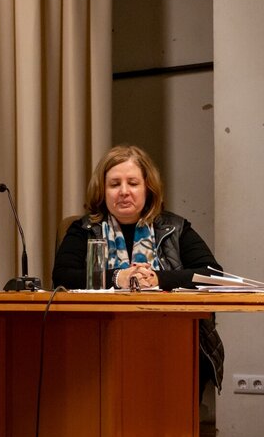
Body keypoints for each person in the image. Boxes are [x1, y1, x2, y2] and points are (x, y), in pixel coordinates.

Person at [52, 145, 224, 390]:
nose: (124, 192)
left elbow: (212, 274)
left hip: (172, 341)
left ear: (148, 188)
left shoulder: (174, 228)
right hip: (98, 341)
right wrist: (120, 278)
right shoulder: (84, 229)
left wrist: (156, 279)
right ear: (102, 190)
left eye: (132, 183)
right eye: (114, 184)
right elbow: (63, 276)